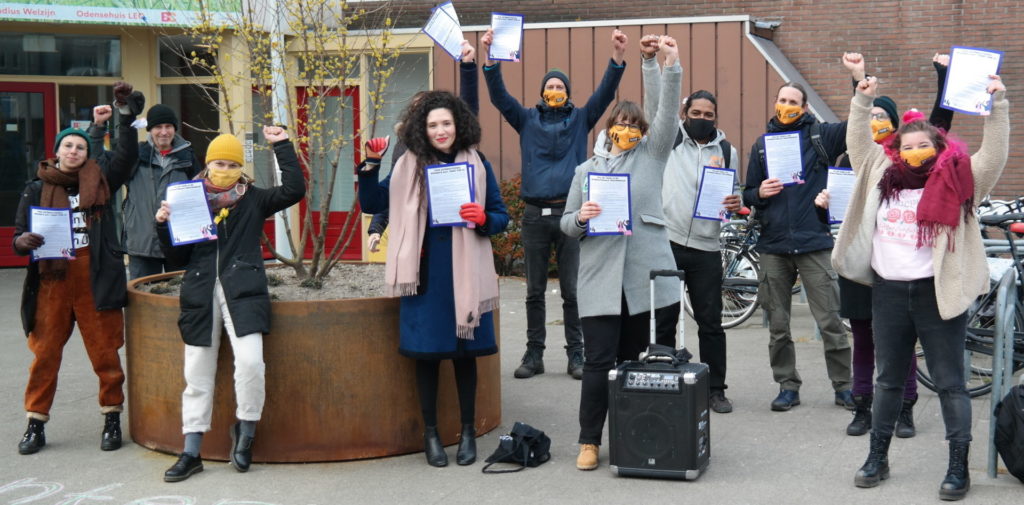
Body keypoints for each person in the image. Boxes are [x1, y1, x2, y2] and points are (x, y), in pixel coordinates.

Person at [837, 73, 1008, 500]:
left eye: (922, 145)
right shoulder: (879, 171)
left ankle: (957, 467)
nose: (914, 152)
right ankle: (877, 457)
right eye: (907, 146)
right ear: (896, 149)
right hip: (889, 292)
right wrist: (862, 100)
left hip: (937, 293)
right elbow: (859, 143)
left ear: (937, 146)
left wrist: (997, 106)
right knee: (888, 380)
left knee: (951, 382)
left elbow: (994, 156)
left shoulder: (959, 177)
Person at [357, 90, 509, 468]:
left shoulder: (477, 162)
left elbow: (500, 215)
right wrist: (370, 165)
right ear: (421, 130)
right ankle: (431, 434)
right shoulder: (409, 164)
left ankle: (469, 431)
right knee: (427, 358)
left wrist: (483, 220)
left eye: (446, 123)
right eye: (432, 125)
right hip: (424, 274)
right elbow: (374, 204)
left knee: (464, 357)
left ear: (458, 125)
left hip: (465, 273)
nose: (440, 131)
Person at [560, 34, 682, 471]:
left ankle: (634, 438)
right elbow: (566, 222)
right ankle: (589, 441)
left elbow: (666, 112)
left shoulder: (652, 156)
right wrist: (581, 219)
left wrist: (663, 64)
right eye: (621, 124)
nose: (627, 130)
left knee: (637, 367)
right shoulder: (585, 171)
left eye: (635, 125)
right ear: (608, 128)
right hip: (599, 282)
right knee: (597, 364)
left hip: (644, 282)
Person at [157, 126, 305, 482]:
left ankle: (246, 432)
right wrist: (164, 224)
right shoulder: (187, 198)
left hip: (244, 292)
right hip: (200, 293)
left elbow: (294, 190)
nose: (224, 169)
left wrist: (281, 145)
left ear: (240, 167)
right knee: (197, 374)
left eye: (231, 163)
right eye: (218, 163)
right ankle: (191, 451)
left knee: (252, 363)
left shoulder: (253, 198)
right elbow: (175, 255)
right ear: (207, 165)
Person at [481, 28, 629, 380]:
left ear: (567, 93)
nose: (554, 91)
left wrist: (617, 57)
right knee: (533, 291)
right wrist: (490, 60)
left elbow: (605, 94)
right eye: (549, 86)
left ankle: (576, 355)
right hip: (533, 215)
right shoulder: (526, 119)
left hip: (571, 214)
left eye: (560, 87)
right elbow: (500, 97)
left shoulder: (580, 119)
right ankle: (534, 355)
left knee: (572, 291)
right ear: (542, 93)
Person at [821, 52, 955, 438]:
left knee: (901, 343)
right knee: (863, 337)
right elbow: (858, 122)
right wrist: (859, 82)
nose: (876, 123)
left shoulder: (908, 163)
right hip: (864, 264)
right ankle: (863, 407)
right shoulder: (858, 158)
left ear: (898, 129)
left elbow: (939, 130)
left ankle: (905, 409)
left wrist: (945, 78)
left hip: (901, 269)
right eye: (872, 117)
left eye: (885, 118)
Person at [12, 82, 144, 455]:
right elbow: (19, 234)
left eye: (80, 147)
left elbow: (125, 154)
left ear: (88, 154)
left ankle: (112, 417)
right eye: (67, 146)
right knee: (45, 354)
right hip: (52, 279)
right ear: (56, 152)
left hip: (94, 276)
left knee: (105, 353)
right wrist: (22, 243)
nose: (73, 151)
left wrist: (122, 114)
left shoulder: (100, 182)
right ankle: (35, 423)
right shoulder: (34, 189)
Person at [742, 77, 853, 412]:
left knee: (831, 321)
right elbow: (748, 192)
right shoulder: (762, 145)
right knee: (778, 325)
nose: (786, 106)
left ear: (804, 108)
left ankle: (844, 386)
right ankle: (787, 385)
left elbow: (858, 124)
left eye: (794, 102)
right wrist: (759, 193)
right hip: (774, 245)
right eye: (782, 100)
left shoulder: (821, 136)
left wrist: (858, 85)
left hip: (813, 243)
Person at [653, 88, 742, 414]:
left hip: (706, 247)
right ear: (684, 113)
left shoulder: (728, 151)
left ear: (715, 117)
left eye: (708, 115)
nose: (702, 119)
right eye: (696, 113)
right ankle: (661, 381)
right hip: (669, 241)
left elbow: (734, 196)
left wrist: (736, 203)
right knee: (664, 318)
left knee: (711, 323)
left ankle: (715, 389)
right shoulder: (669, 143)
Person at [89, 102, 202, 279]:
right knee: (142, 301)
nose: (164, 132)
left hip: (179, 244)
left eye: (168, 126)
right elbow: (98, 164)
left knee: (180, 300)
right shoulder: (134, 156)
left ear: (175, 128)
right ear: (149, 129)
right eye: (158, 127)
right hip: (142, 244)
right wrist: (98, 126)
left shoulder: (188, 157)